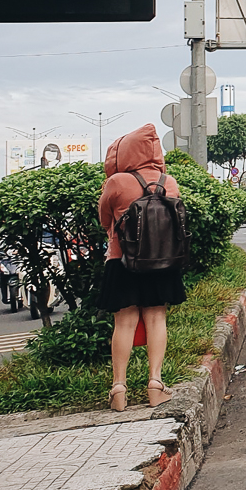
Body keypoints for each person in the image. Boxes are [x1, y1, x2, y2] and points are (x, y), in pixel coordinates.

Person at [97, 125, 185, 411]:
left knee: (123, 322)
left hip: (122, 261)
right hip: (162, 261)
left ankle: (118, 388)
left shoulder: (117, 182)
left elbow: (104, 220)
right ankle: (156, 385)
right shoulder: (168, 181)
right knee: (157, 320)